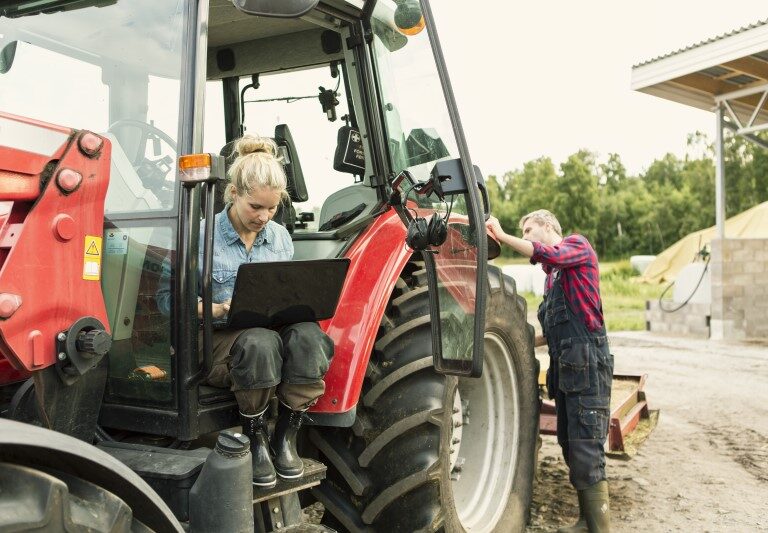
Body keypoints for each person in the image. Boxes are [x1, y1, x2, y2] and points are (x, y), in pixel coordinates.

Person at [160, 135, 333, 488]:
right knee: (260, 342)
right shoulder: (199, 238)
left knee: (309, 338)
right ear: (234, 193)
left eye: (271, 209)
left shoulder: (281, 237)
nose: (263, 217)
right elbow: (168, 301)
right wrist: (214, 307)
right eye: (255, 207)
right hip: (218, 340)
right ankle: (255, 437)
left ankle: (285, 435)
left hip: (269, 331)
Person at [486, 210, 612, 533]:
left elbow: (547, 253)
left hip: (587, 367)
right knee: (570, 445)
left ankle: (600, 527)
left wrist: (501, 236)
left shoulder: (576, 248)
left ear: (548, 226)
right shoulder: (551, 279)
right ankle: (586, 520)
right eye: (522, 231)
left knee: (587, 445)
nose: (527, 235)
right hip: (568, 372)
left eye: (529, 229)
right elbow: (553, 331)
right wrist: (519, 339)